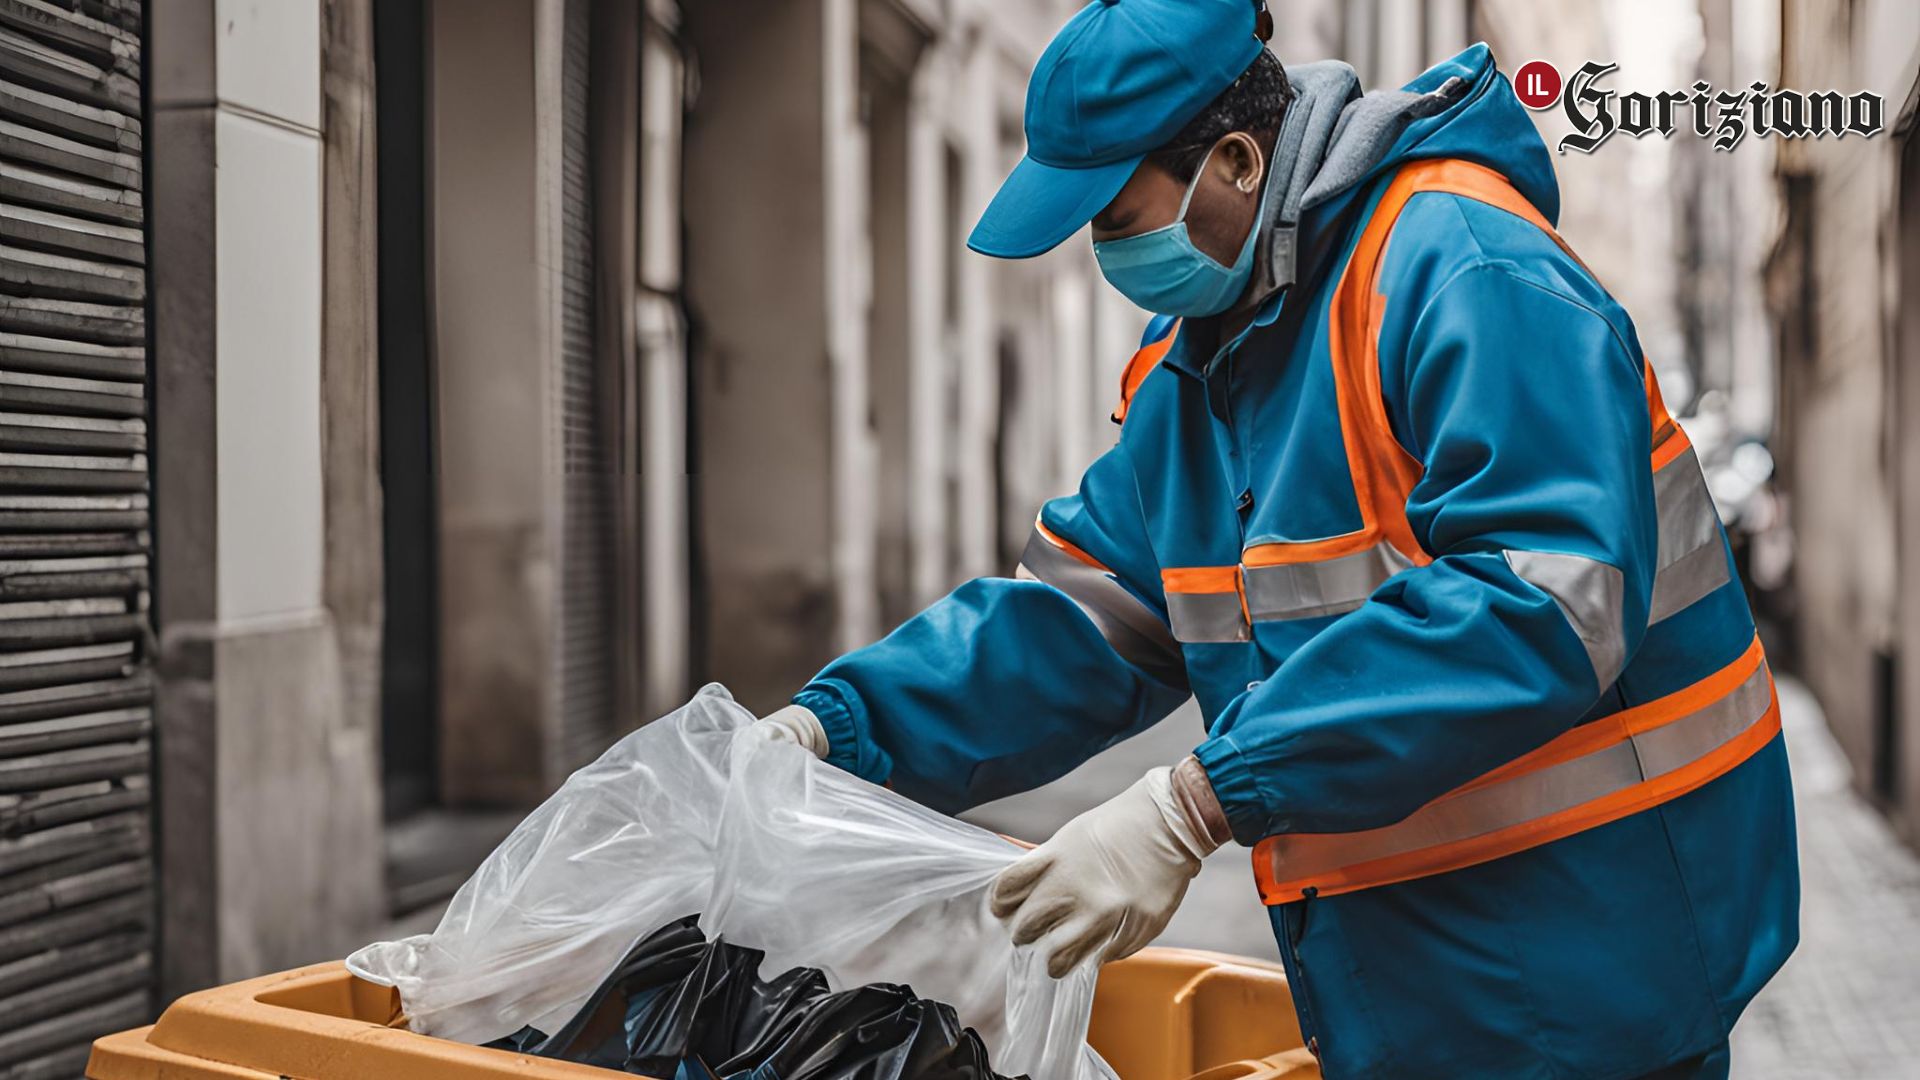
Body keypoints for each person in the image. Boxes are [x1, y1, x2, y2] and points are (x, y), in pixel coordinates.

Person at [755, 1, 1797, 1076]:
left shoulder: (1464, 271)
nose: (1109, 252)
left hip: (1595, 968)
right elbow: (1094, 610)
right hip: (1409, 981)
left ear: (1238, 163)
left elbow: (1540, 603)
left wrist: (1199, 799)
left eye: (1118, 214)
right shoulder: (1197, 363)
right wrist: (836, 728)